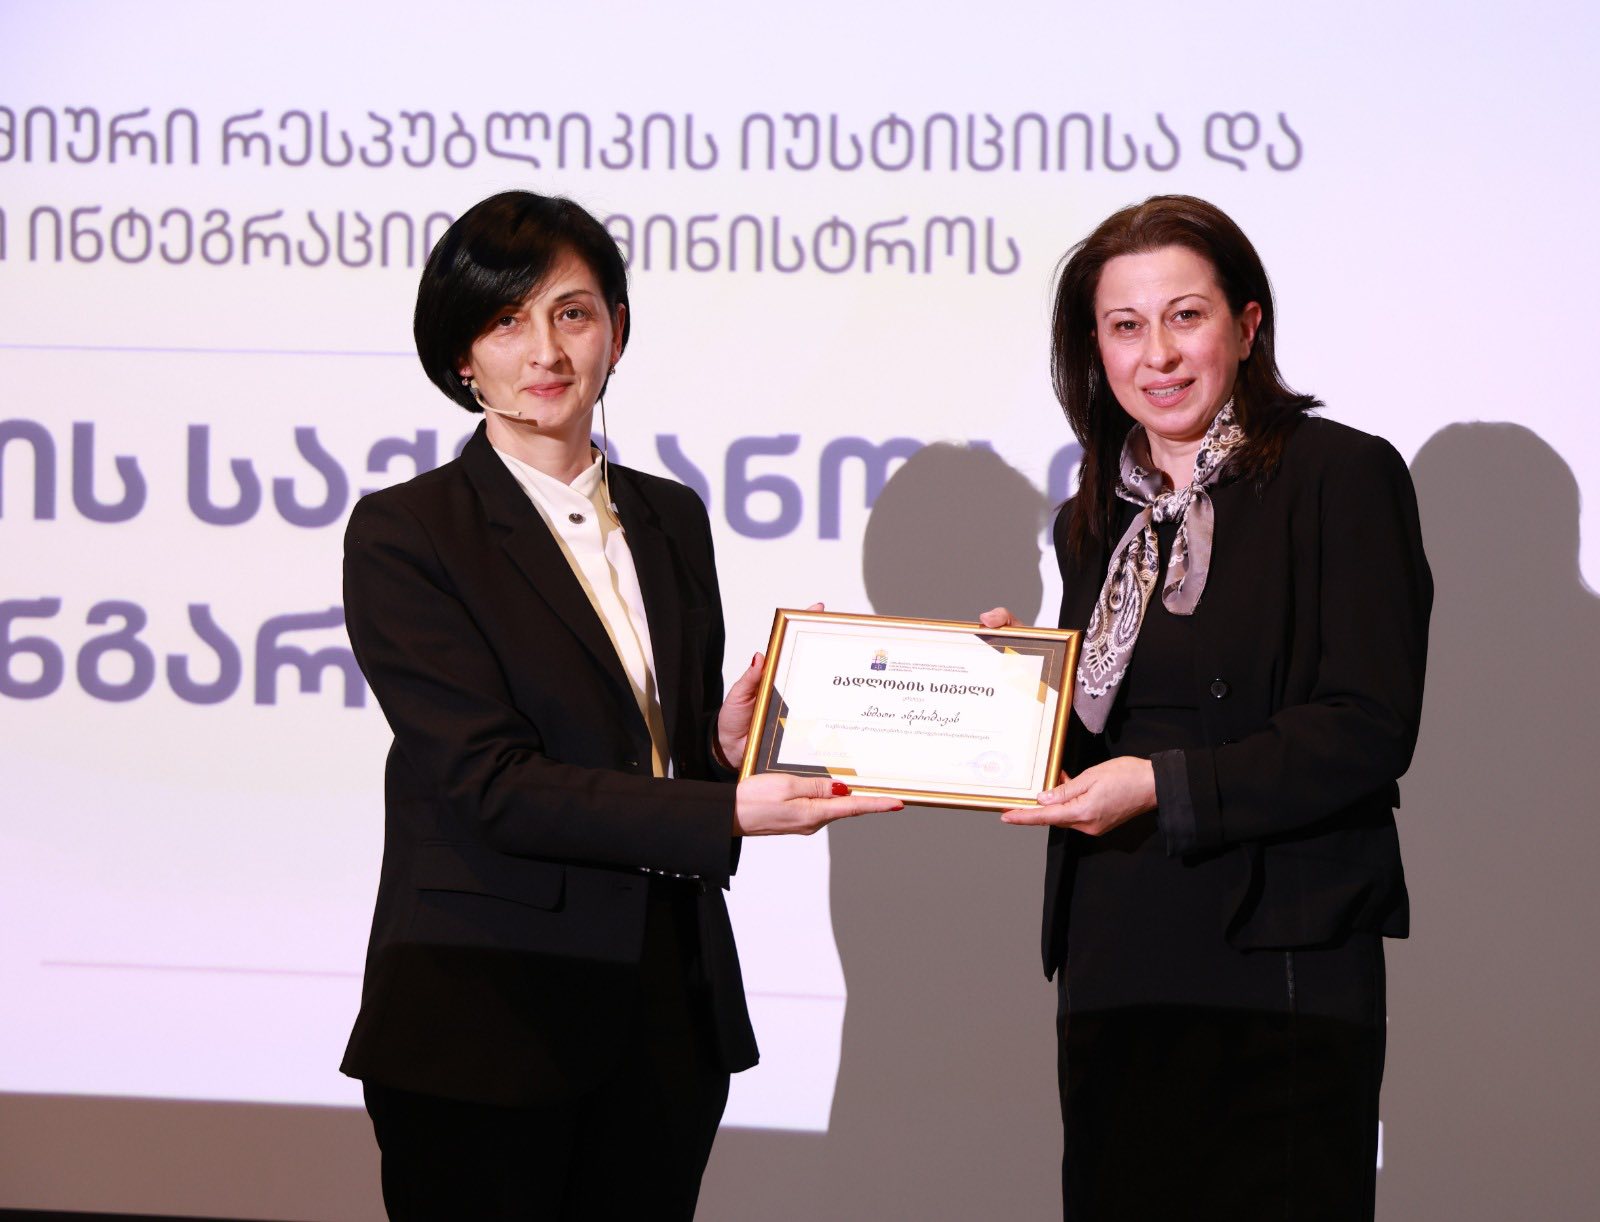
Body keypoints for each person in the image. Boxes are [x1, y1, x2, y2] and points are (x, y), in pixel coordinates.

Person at [339, 189, 900, 1221]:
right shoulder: (407, 532)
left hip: (664, 1007)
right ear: (462, 357)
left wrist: (722, 745)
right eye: (505, 321)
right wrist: (725, 808)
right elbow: (490, 784)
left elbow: (645, 750)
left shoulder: (669, 514)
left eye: (572, 313)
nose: (545, 350)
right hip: (488, 1016)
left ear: (618, 330)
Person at [982, 195, 1431, 1220]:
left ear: (1247, 323)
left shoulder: (1340, 476)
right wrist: (1010, 695)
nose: (1159, 355)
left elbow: (1367, 725)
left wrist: (1163, 785)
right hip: (1118, 941)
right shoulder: (1094, 513)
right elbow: (1102, 726)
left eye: (1185, 316)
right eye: (1125, 326)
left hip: (1277, 950)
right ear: (1094, 349)